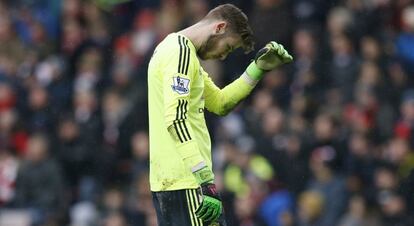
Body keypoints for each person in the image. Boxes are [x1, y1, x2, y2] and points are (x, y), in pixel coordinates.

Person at [147, 4, 293, 226]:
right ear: (219, 28)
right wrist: (205, 180)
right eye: (228, 47)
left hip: (173, 182)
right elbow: (175, 119)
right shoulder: (180, 53)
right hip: (189, 182)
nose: (223, 56)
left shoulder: (175, 51)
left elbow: (220, 103)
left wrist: (257, 69)